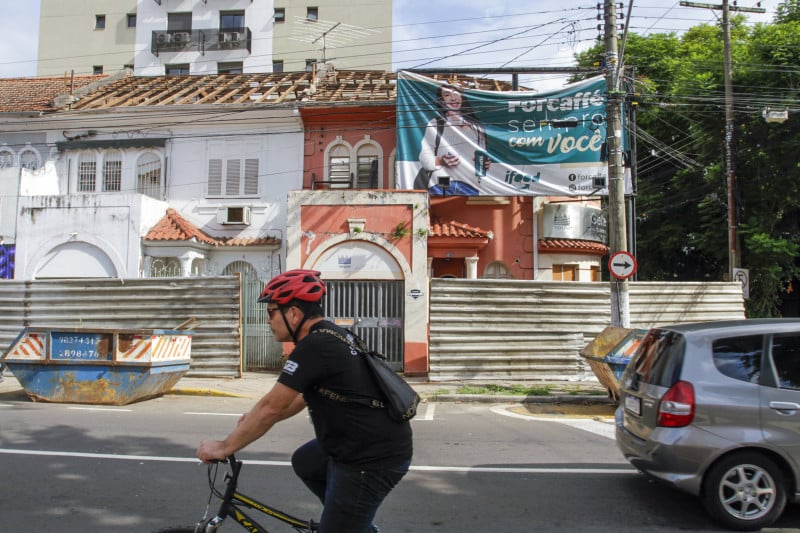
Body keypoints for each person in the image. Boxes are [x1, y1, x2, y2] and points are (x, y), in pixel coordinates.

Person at [196, 269, 413, 533]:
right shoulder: (331, 335)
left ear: (294, 314)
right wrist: (250, 420)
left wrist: (223, 446)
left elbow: (271, 408)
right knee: (306, 462)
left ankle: (348, 522)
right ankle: (352, 521)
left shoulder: (314, 346)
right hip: (363, 444)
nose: (268, 321)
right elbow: (297, 398)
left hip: (369, 458)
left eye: (272, 312)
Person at [416, 84, 491, 195]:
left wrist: (486, 163)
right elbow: (424, 157)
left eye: (456, 94)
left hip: (470, 185)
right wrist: (440, 160)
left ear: (462, 97)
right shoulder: (436, 124)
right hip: (441, 184)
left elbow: (483, 155)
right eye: (447, 95)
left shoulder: (476, 126)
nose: (453, 98)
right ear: (442, 101)